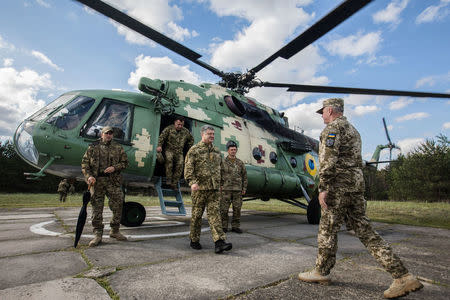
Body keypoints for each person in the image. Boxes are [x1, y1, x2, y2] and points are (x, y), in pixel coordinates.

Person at [297, 98, 423, 299]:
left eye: (323, 112)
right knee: (365, 230)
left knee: (327, 231)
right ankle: (403, 275)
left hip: (338, 186)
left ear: (330, 110)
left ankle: (321, 272)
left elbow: (328, 161)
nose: (322, 115)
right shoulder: (353, 130)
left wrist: (323, 187)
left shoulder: (332, 130)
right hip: (356, 185)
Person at [184, 125, 232, 254]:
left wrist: (221, 183)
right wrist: (192, 182)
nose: (212, 136)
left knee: (215, 215)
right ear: (202, 134)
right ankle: (194, 240)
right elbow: (188, 168)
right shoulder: (194, 150)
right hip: (199, 188)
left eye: (213, 134)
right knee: (197, 215)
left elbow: (221, 169)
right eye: (209, 134)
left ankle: (219, 242)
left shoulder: (216, 151)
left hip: (214, 189)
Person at [81, 126, 129, 247]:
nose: (109, 135)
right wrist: (89, 177)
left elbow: (125, 163)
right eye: (107, 133)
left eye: (111, 133)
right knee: (97, 208)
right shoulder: (93, 147)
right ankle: (98, 234)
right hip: (97, 182)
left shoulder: (118, 147)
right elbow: (85, 163)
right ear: (102, 134)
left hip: (113, 181)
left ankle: (115, 230)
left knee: (118, 203)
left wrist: (115, 167)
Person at [157, 116, 194, 189]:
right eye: (178, 124)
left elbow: (191, 140)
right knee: (169, 161)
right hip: (169, 149)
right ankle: (168, 180)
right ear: (175, 123)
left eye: (182, 125)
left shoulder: (185, 131)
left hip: (179, 151)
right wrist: (159, 146)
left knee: (180, 165)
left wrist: (189, 148)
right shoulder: (169, 129)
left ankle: (174, 183)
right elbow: (162, 137)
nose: (180, 126)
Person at [220, 140, 248, 233]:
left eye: (235, 149)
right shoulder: (223, 162)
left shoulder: (240, 163)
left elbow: (244, 176)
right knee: (224, 209)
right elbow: (218, 174)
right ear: (228, 150)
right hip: (225, 190)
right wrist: (220, 185)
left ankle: (235, 226)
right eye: (231, 149)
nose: (233, 151)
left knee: (237, 209)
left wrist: (244, 188)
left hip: (237, 190)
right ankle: (224, 226)